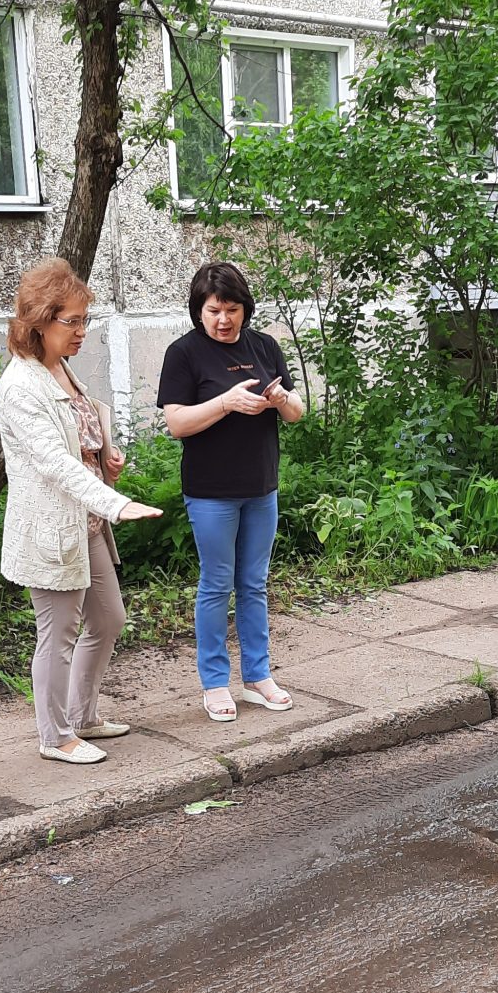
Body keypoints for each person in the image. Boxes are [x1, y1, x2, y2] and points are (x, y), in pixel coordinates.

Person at [0, 259, 163, 764]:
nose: (82, 331)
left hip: (84, 524)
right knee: (58, 635)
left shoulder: (60, 368)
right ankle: (55, 736)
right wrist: (118, 504)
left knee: (108, 620)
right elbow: (54, 464)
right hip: (52, 530)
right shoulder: (21, 386)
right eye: (72, 321)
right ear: (39, 320)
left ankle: (83, 716)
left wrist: (105, 456)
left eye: (85, 320)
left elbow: (79, 445)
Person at [158, 260, 305, 723]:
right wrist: (225, 402)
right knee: (217, 584)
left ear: (245, 308)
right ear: (198, 311)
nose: (224, 320)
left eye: (232, 309)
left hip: (261, 486)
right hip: (211, 492)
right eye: (214, 310)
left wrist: (281, 399)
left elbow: (296, 412)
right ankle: (215, 682)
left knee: (254, 584)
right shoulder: (184, 353)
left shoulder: (264, 346)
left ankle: (257, 677)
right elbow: (177, 423)